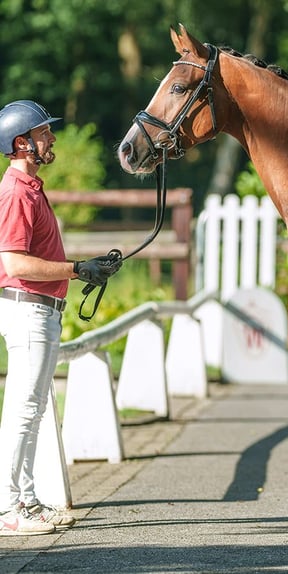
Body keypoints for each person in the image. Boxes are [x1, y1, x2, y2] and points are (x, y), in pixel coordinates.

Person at [0, 100, 122, 535]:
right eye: (43, 133)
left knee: (30, 411)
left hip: (40, 309)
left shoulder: (31, 187)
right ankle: (10, 508)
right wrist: (75, 269)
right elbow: (14, 263)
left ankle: (26, 501)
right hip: (27, 307)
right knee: (23, 409)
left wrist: (84, 267)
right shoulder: (16, 192)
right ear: (22, 144)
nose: (51, 138)